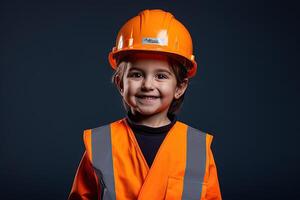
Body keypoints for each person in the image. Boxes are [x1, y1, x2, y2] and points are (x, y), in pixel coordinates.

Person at [68, 9, 222, 200]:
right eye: (136, 74)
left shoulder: (197, 148)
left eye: (161, 76)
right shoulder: (100, 144)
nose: (148, 85)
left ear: (180, 87)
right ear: (120, 84)